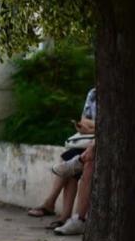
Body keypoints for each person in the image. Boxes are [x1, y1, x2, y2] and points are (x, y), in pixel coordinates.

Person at [27, 88, 96, 230]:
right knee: (68, 162)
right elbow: (84, 120)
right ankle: (64, 216)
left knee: (71, 164)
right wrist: (91, 128)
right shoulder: (94, 93)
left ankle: (52, 205)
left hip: (98, 143)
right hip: (89, 140)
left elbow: (113, 126)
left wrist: (91, 128)